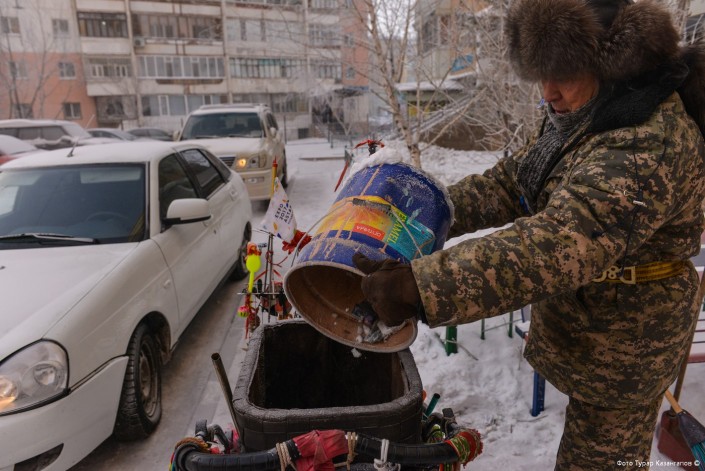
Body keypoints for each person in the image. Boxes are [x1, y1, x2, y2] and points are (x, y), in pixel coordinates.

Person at [353, 0, 705, 469]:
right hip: (590, 325)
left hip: (629, 348)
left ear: (611, 66)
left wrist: (418, 287)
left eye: (563, 75)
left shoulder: (648, 140)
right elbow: (515, 182)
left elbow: (556, 244)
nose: (548, 93)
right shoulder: (593, 112)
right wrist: (424, 214)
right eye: (542, 75)